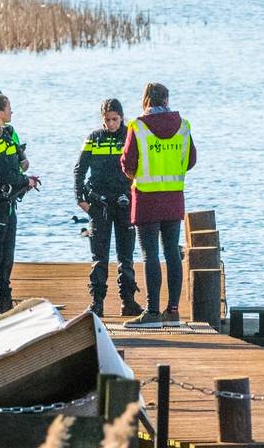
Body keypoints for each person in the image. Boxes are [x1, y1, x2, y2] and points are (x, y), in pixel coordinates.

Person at [120, 82, 196, 329]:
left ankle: (152, 312)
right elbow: (191, 160)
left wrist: (135, 173)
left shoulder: (138, 126)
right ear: (166, 99)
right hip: (174, 198)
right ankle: (172, 311)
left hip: (147, 198)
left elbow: (128, 162)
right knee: (172, 253)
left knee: (150, 254)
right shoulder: (183, 126)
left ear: (145, 100)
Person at [74, 98, 142, 318]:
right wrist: (79, 198)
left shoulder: (130, 137)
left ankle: (128, 301)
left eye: (115, 119)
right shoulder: (94, 138)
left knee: (126, 256)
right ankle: (97, 302)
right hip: (99, 205)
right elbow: (79, 169)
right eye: (107, 120)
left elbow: (141, 166)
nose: (111, 124)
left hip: (125, 203)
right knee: (99, 256)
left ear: (122, 117)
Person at [0, 93, 40, 315]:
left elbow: (16, 166)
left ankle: (4, 306)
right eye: (9, 107)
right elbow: (3, 174)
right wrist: (26, 180)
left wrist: (24, 177)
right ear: (0, 112)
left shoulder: (8, 136)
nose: (12, 111)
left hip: (8, 203)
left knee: (6, 259)